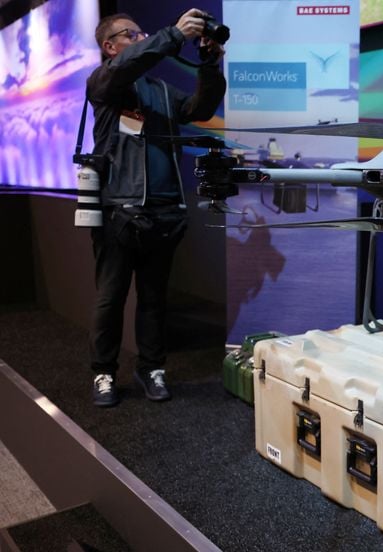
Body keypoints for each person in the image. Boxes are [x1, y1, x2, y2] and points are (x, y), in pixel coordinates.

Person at [86, 9, 226, 407]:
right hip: (118, 210)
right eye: (131, 34)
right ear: (109, 46)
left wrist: (209, 64)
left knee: (154, 299)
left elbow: (200, 108)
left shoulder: (161, 91)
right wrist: (173, 34)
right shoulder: (104, 82)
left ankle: (151, 368)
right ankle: (103, 372)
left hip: (164, 210)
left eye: (141, 33)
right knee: (110, 298)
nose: (140, 37)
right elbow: (130, 63)